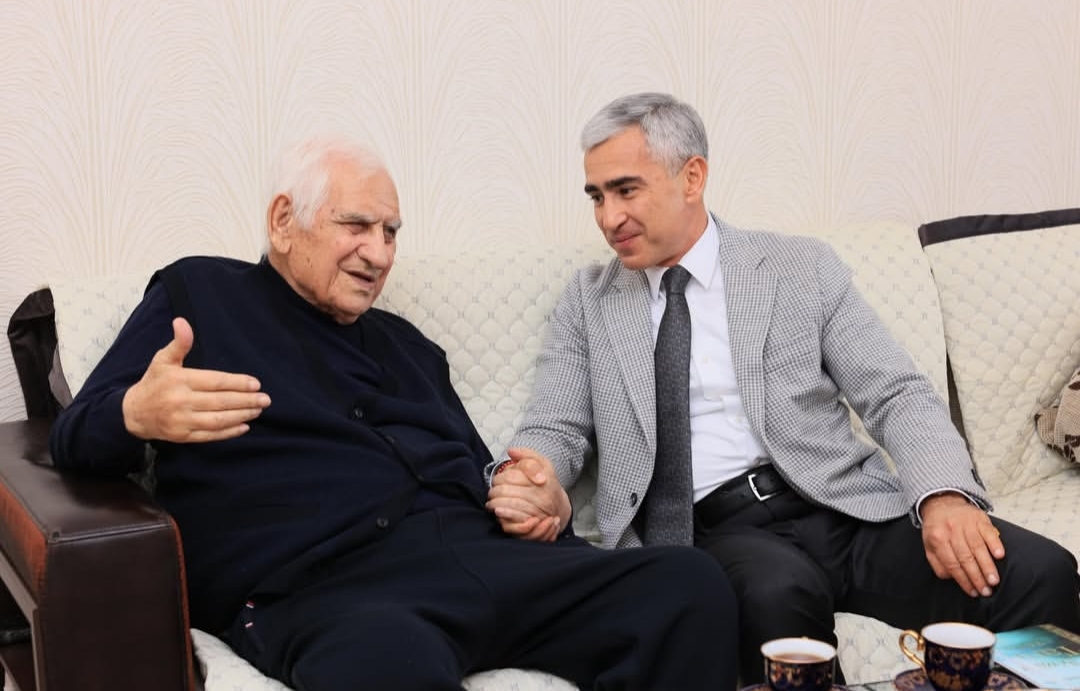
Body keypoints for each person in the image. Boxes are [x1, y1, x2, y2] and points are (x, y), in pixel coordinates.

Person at [48, 135, 740, 691]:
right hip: (326, 588)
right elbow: (72, 437)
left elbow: (486, 475)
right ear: (284, 221)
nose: (379, 253)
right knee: (388, 661)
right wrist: (134, 412)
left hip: (487, 558)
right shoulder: (200, 294)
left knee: (687, 584)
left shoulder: (409, 347)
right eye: (357, 226)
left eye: (390, 232)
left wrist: (540, 499)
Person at [486, 92, 1080, 683]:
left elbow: (895, 392)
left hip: (845, 508)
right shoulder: (589, 301)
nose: (608, 217)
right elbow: (555, 427)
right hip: (718, 531)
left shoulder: (800, 267)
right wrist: (533, 477)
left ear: (692, 177)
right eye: (597, 196)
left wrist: (944, 495)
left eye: (625, 190)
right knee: (778, 600)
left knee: (1040, 571)